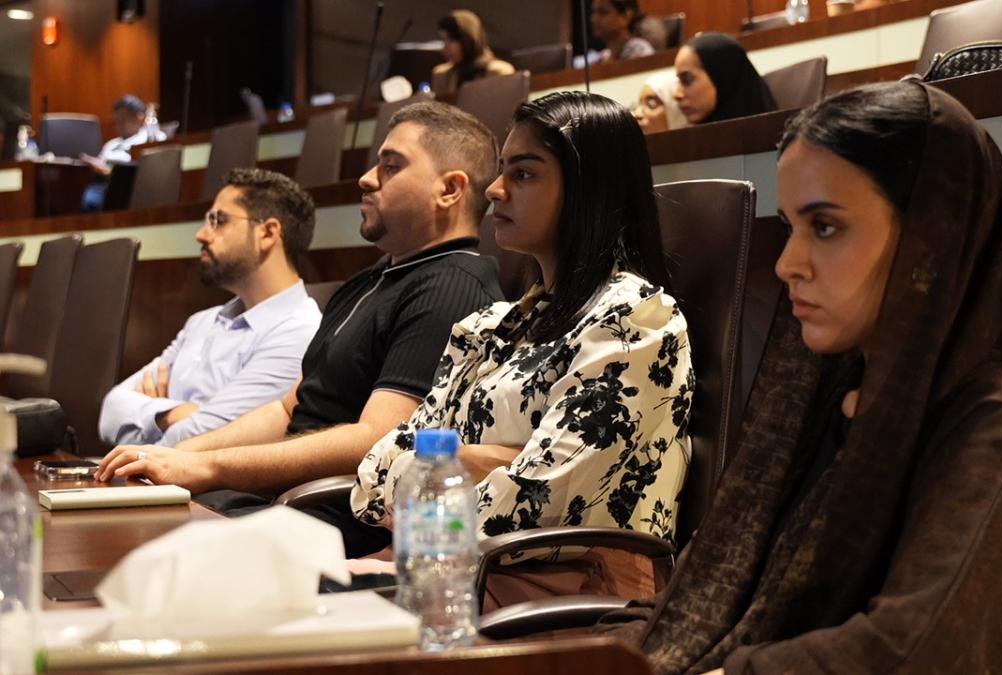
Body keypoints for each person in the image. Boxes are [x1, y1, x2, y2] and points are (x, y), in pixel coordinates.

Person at [597, 81, 1002, 674]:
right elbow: (691, 595)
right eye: (790, 226)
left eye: (824, 227)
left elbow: (904, 651)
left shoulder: (994, 429)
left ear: (932, 240)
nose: (787, 263)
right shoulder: (807, 408)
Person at [96, 103, 506, 554]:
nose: (367, 179)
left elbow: (378, 438)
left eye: (391, 166)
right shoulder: (368, 282)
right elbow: (287, 408)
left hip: (332, 520)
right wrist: (181, 455)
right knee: (118, 520)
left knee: (135, 549)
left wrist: (210, 468)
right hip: (279, 503)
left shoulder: (451, 286)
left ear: (449, 189)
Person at [351, 92, 694, 603]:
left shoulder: (636, 320)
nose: (494, 189)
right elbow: (371, 478)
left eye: (524, 174)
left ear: (588, 189)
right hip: (453, 573)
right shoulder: (492, 326)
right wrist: (482, 461)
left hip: (572, 593)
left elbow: (530, 508)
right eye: (502, 171)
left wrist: (445, 467)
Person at [98, 169, 321, 448]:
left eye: (218, 221)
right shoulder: (201, 322)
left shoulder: (298, 332)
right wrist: (172, 412)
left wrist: (150, 417)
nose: (201, 234)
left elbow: (202, 442)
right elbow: (110, 411)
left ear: (267, 233)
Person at [79, 95, 167, 211]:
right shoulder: (111, 144)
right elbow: (101, 164)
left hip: (130, 186)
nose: (119, 125)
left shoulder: (149, 138)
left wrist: (108, 171)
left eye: (124, 119)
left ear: (140, 117)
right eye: (117, 121)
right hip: (103, 184)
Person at [673, 33, 776, 125]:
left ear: (723, 79)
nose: (676, 94)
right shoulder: (693, 138)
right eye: (678, 81)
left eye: (687, 79)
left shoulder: (773, 135)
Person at [431, 10, 516, 99]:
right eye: (443, 40)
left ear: (468, 39)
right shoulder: (443, 75)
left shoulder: (498, 72)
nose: (445, 48)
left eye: (452, 39)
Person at [591, 0, 656, 63]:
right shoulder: (603, 57)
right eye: (593, 12)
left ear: (625, 17)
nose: (594, 19)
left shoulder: (640, 51)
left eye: (603, 12)